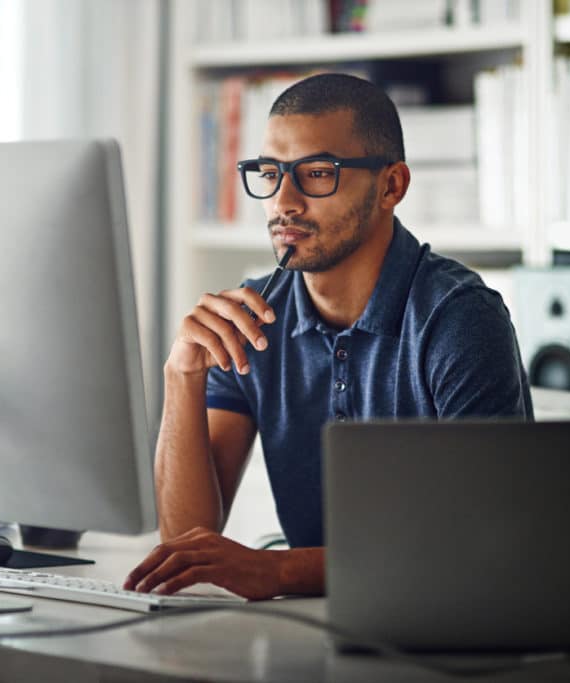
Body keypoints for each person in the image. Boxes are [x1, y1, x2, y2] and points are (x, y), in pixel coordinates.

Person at [124, 73, 533, 600]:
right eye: (270, 173)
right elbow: (186, 544)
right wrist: (181, 374)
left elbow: (483, 544)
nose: (284, 201)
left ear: (391, 186)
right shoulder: (252, 317)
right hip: (312, 631)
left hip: (445, 632)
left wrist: (278, 572)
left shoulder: (459, 319)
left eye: (317, 173)